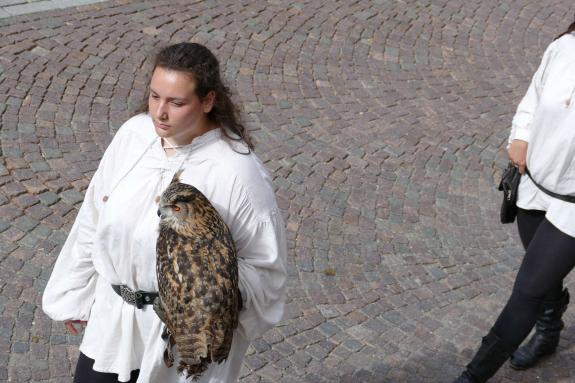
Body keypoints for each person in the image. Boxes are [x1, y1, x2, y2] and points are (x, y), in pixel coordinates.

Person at [42, 42, 287, 383]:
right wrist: (74, 292)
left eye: (176, 102)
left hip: (183, 341)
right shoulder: (133, 135)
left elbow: (267, 270)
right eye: (155, 96)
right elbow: (95, 215)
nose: (159, 112)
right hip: (113, 324)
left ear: (208, 101)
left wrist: (205, 296)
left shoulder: (237, 172)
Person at [453, 18, 575, 383]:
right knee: (541, 276)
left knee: (528, 289)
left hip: (572, 205)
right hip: (535, 185)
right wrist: (520, 136)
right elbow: (534, 98)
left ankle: (471, 377)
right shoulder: (564, 47)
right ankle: (549, 329)